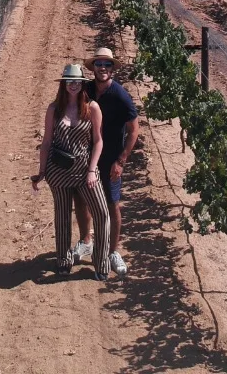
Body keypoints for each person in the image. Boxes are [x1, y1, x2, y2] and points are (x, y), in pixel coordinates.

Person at [32, 63, 112, 279]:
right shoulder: (53, 109)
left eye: (77, 81)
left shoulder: (92, 107)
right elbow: (47, 142)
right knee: (62, 217)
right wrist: (41, 171)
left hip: (85, 171)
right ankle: (63, 261)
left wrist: (92, 170)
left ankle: (102, 262)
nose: (73, 85)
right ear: (64, 84)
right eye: (69, 82)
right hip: (58, 172)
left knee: (102, 214)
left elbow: (98, 141)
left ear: (82, 84)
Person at [73, 47, 139, 279]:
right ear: (93, 68)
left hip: (110, 158)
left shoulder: (120, 95)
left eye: (107, 64)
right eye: (99, 64)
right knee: (81, 199)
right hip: (85, 155)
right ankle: (86, 241)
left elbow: (134, 130)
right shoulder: (86, 89)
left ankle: (112, 252)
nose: (103, 68)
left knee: (112, 204)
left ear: (112, 69)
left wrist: (121, 160)